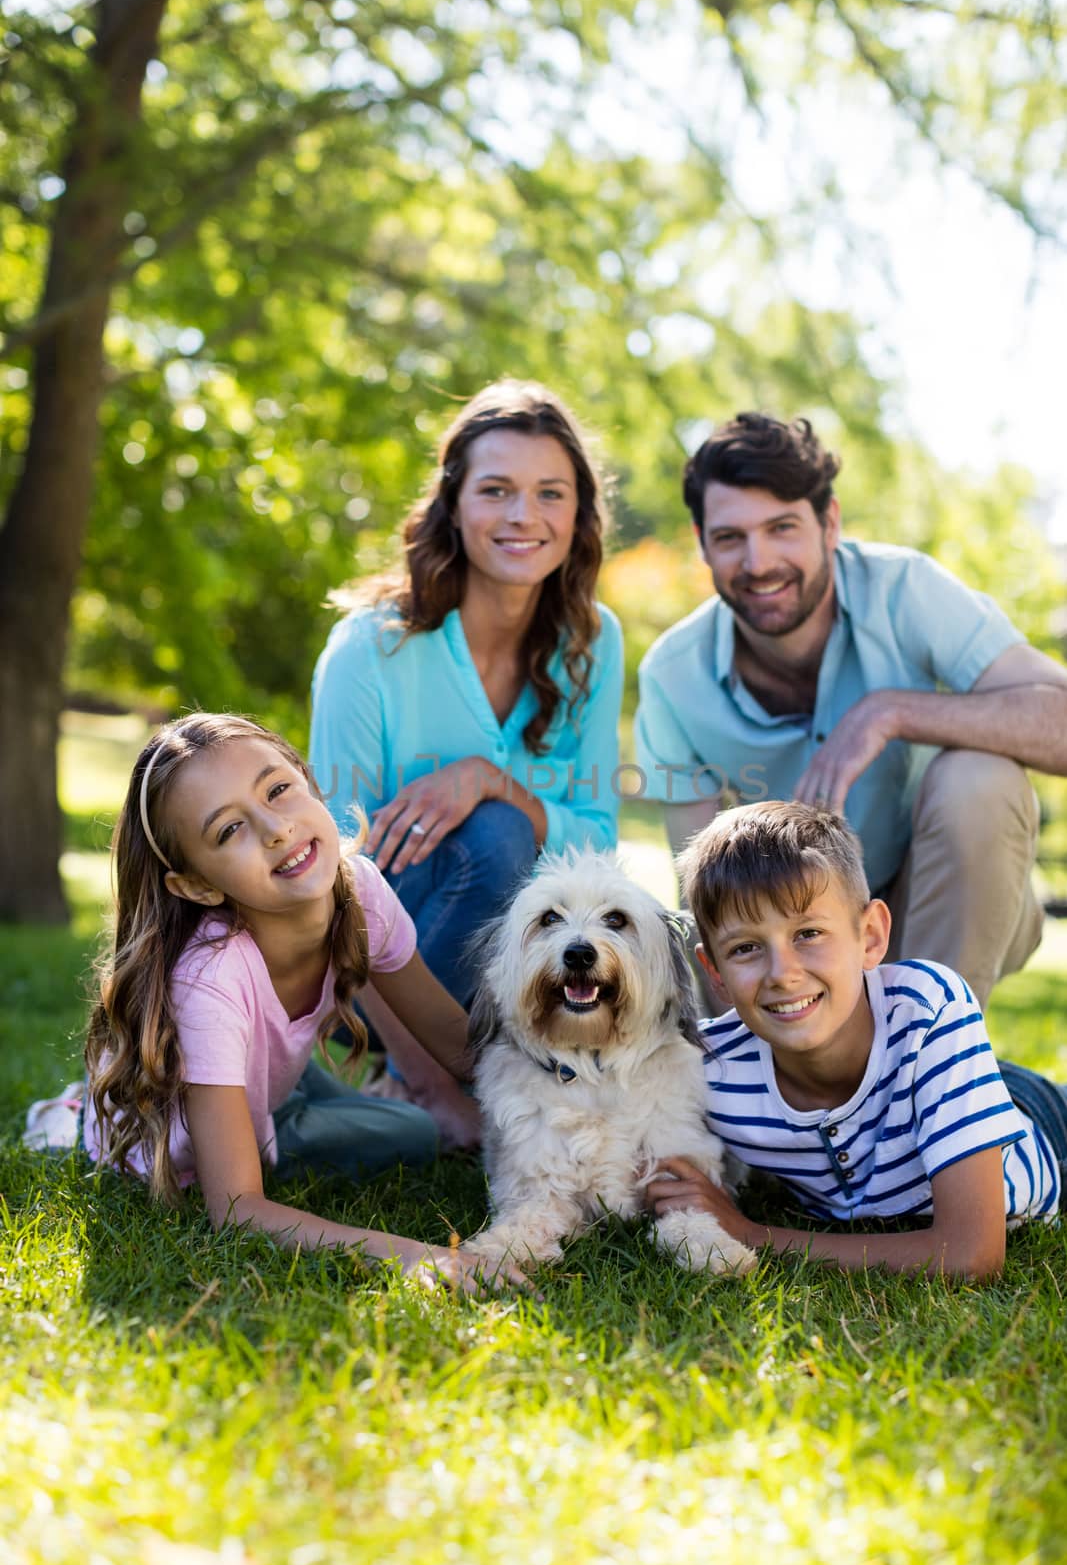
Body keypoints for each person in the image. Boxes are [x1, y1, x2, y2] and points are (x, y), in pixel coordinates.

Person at [83, 713, 528, 1295]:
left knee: (417, 1133)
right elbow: (237, 1210)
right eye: (228, 831)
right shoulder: (210, 981)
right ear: (196, 886)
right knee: (407, 1138)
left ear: (308, 779)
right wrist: (418, 1255)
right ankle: (69, 1117)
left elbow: (459, 1044)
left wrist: (585, 1099)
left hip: (270, 1082)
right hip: (186, 1129)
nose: (275, 828)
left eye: (277, 789)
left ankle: (292, 1113)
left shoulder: (360, 890)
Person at [634, 410, 1067, 1007]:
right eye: (731, 537)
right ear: (703, 542)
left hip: (951, 901)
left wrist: (888, 712)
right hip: (796, 929)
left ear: (829, 522)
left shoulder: (907, 589)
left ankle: (935, 1057)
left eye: (782, 527)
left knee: (980, 777)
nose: (758, 563)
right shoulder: (670, 674)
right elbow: (701, 898)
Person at [310, 380, 624, 1138]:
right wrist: (436, 1083)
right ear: (452, 505)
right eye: (496, 490)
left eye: (551, 493)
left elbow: (598, 844)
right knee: (494, 838)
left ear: (579, 513)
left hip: (516, 969)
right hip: (361, 975)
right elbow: (327, 879)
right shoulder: (371, 646)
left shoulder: (592, 641)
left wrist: (493, 781)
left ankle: (502, 1073)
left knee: (505, 828)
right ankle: (411, 1074)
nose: (524, 517)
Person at [644, 801, 1067, 1280]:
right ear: (714, 972)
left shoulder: (929, 1009)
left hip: (1044, 1130)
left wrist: (751, 1233)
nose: (783, 974)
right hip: (939, 1091)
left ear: (870, 936)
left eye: (808, 933)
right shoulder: (709, 1069)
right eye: (746, 948)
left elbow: (972, 1255)